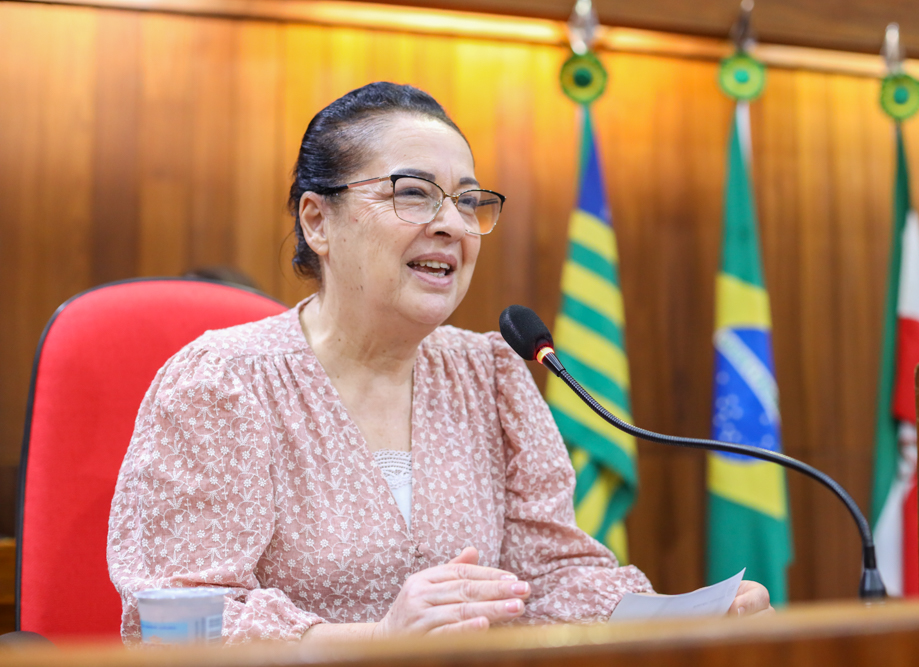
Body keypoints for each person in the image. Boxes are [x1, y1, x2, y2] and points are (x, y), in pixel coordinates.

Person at [107, 82, 771, 645]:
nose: (453, 223)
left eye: (468, 200)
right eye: (415, 193)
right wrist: (378, 639)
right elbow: (177, 625)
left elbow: (553, 580)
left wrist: (682, 617)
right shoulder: (225, 384)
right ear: (318, 221)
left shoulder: (491, 375)